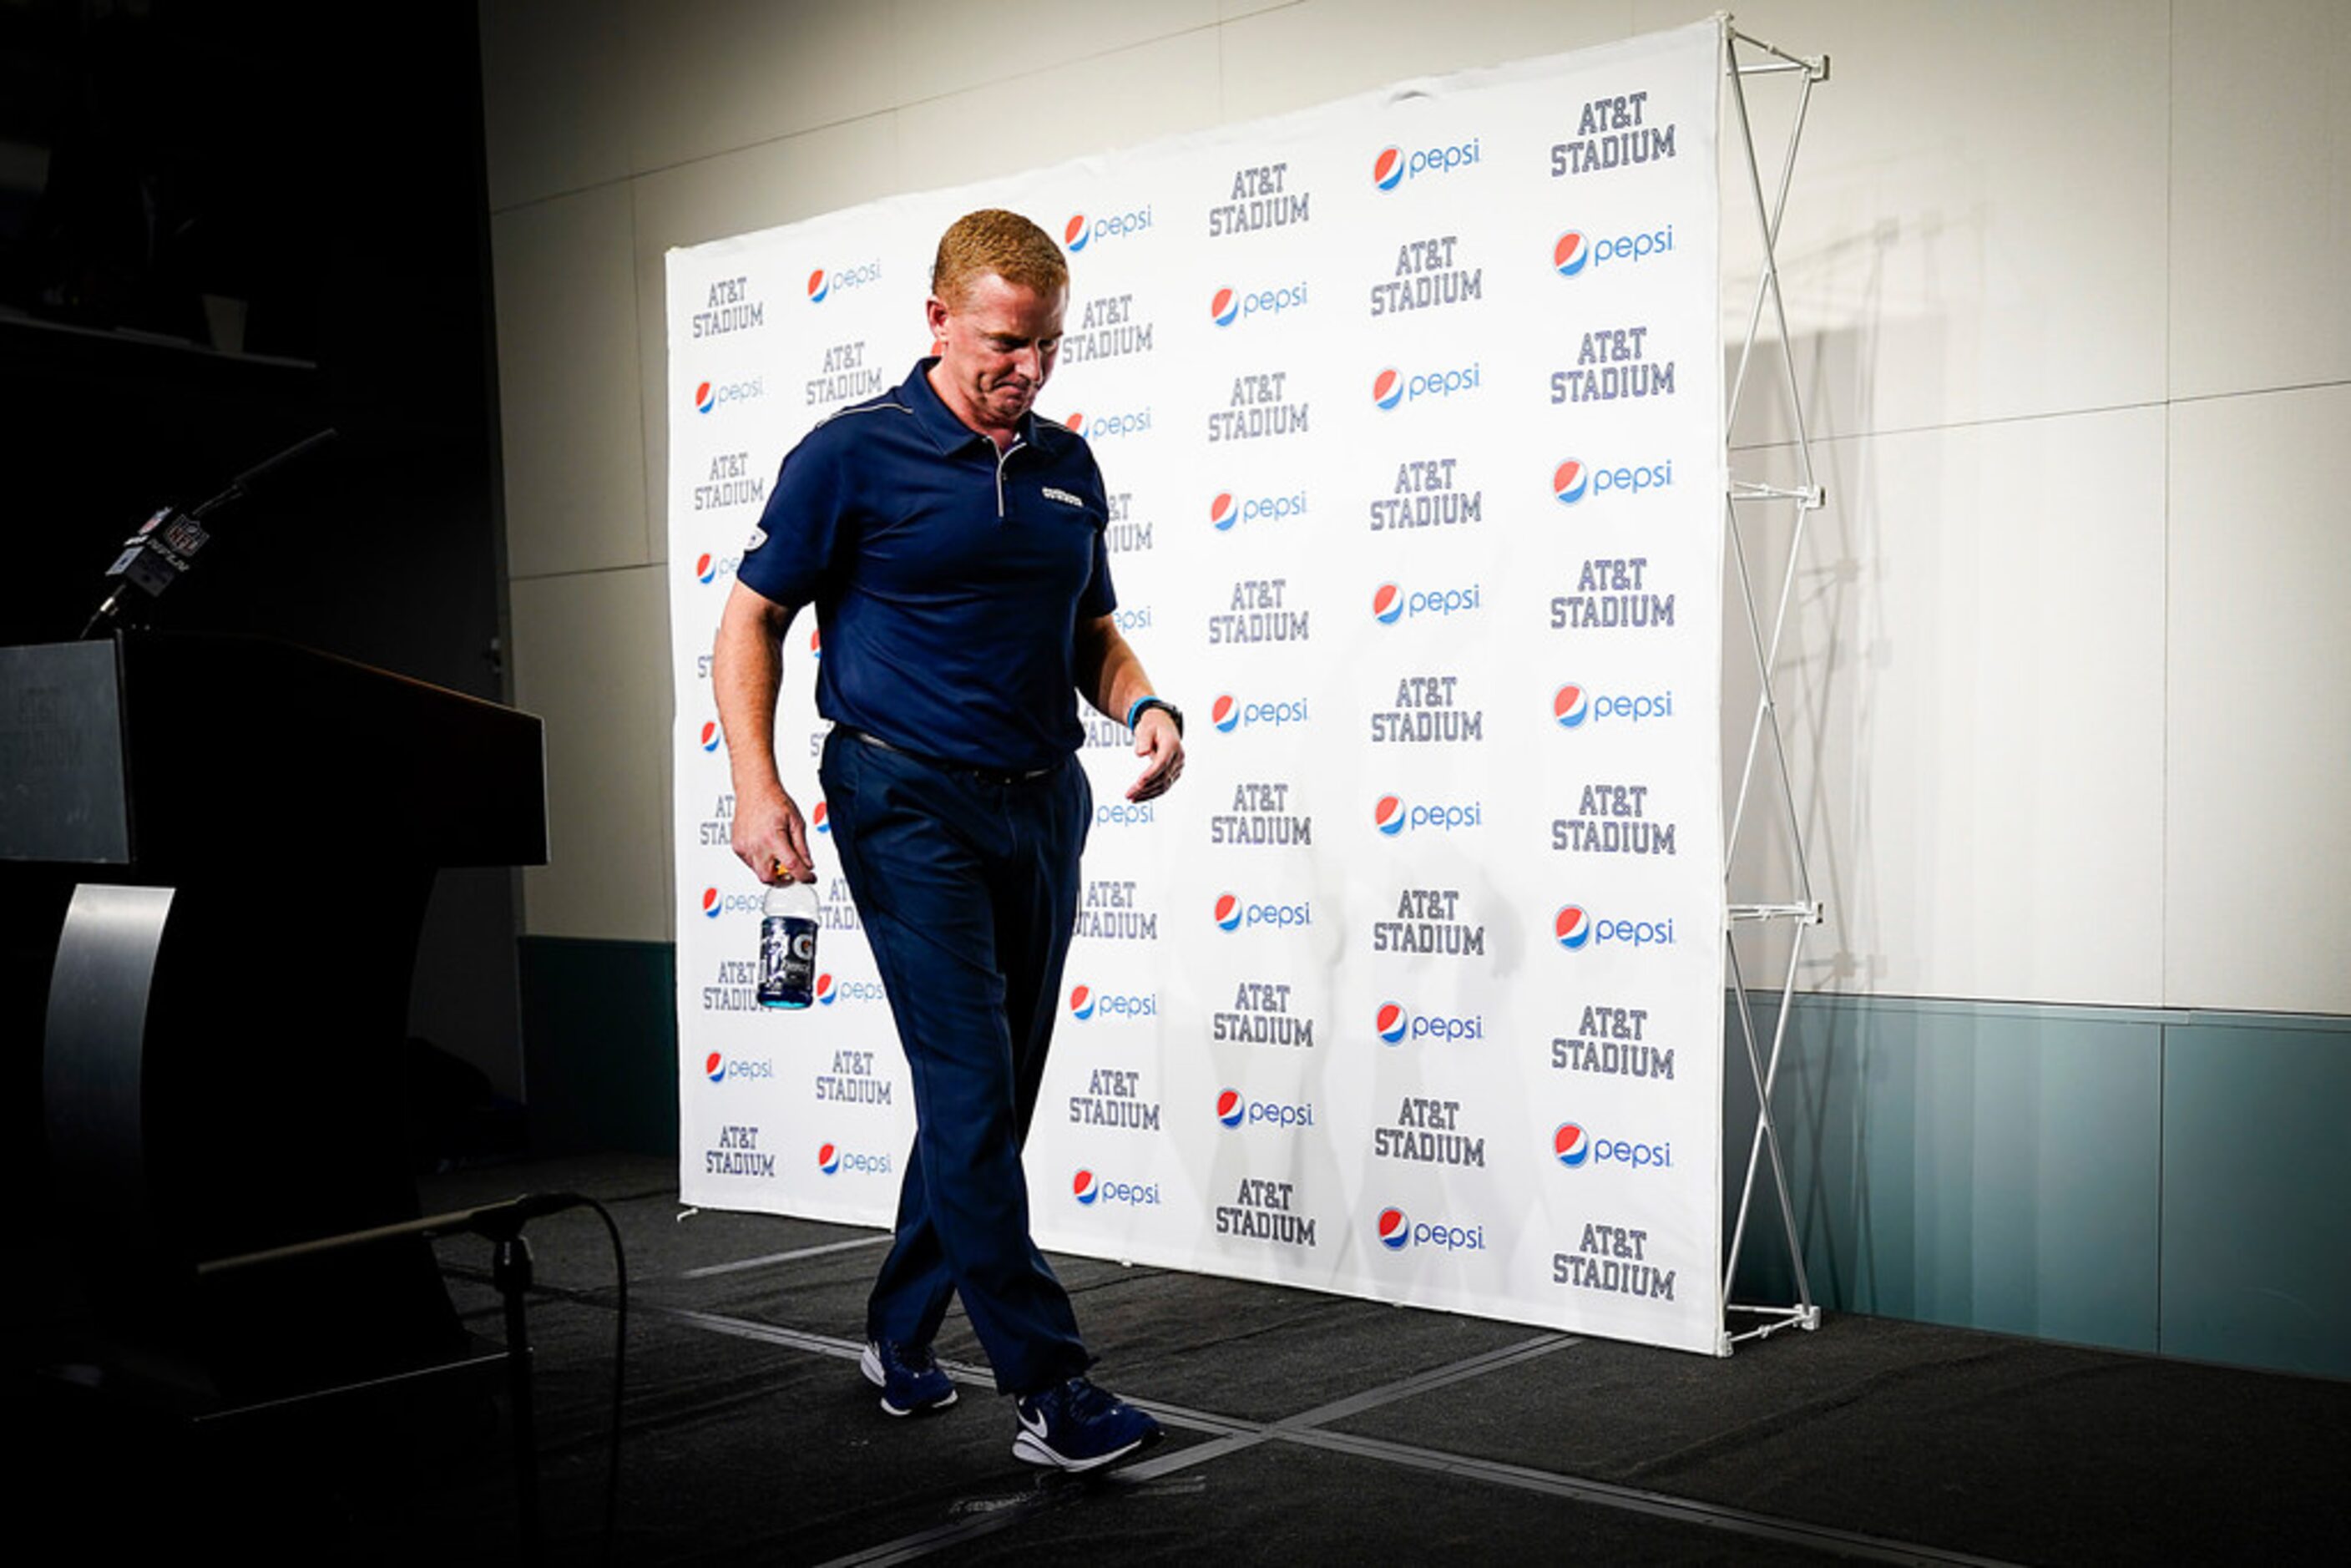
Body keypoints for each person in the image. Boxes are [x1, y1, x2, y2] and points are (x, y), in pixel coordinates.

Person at [711, 208, 1184, 1474]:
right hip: (902, 798)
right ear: (936, 319)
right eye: (1002, 342)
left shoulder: (1068, 465)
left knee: (996, 1096)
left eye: (1046, 348)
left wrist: (1144, 704)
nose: (1024, 369)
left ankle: (898, 1329)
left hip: (1043, 800)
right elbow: (749, 622)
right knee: (972, 1088)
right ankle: (1051, 1387)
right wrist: (757, 787)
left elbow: (1092, 626)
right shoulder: (851, 456)